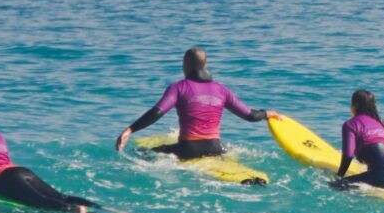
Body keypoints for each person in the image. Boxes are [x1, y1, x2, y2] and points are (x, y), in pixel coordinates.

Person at [114, 47, 269, 159]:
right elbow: (250, 115)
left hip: (187, 149)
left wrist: (130, 129)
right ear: (205, 65)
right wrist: (267, 114)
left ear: (185, 65)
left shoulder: (178, 87)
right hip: (215, 148)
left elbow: (157, 112)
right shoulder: (222, 90)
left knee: (139, 152)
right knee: (228, 149)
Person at [333, 89, 384, 190]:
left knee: (336, 185)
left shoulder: (351, 124)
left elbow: (348, 155)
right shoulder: (383, 125)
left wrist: (339, 175)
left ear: (355, 105)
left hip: (383, 176)